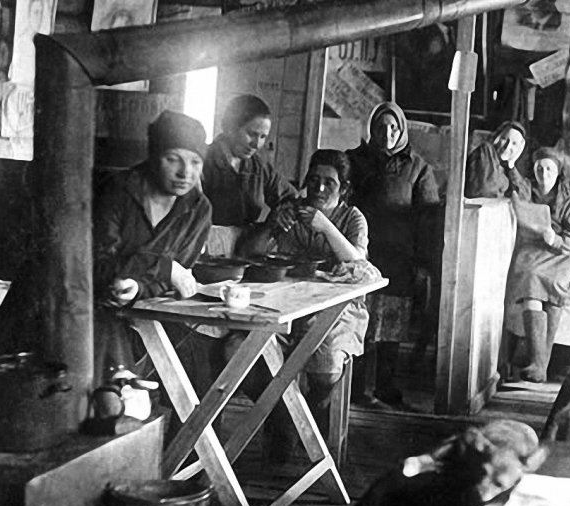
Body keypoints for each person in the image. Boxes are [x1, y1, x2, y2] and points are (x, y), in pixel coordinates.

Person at [239, 150, 371, 417]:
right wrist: (271, 225)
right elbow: (248, 253)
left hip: (338, 309)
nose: (318, 188)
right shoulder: (291, 210)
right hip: (285, 302)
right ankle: (281, 415)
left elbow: (359, 265)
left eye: (329, 183)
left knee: (327, 366)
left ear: (343, 189)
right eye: (313, 180)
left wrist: (326, 227)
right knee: (241, 351)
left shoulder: (352, 218)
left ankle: (307, 412)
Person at [92, 110, 212, 382]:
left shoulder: (198, 209)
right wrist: (165, 267)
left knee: (200, 374)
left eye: (195, 162)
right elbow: (96, 265)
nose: (185, 172)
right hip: (96, 311)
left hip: (150, 309)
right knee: (112, 386)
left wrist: (137, 287)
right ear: (154, 156)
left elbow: (177, 281)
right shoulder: (118, 190)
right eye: (173, 159)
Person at [348, 101, 440, 410]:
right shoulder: (354, 161)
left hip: (398, 257)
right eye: (380, 127)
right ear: (371, 130)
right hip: (360, 253)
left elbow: (428, 218)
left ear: (401, 131)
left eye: (393, 128)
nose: (387, 134)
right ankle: (355, 388)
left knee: (390, 326)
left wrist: (423, 261)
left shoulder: (418, 166)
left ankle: (386, 387)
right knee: (359, 322)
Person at [504, 148, 570, 383]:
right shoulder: (526, 190)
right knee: (530, 273)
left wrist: (555, 239)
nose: (544, 173)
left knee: (549, 281)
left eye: (549, 168)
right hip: (535, 248)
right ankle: (538, 364)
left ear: (558, 171)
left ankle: (539, 364)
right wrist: (510, 167)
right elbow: (515, 184)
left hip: (563, 254)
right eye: (539, 168)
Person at [201, 94, 298, 254]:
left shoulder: (258, 166)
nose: (257, 144)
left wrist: (282, 214)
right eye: (252, 134)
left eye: (263, 137)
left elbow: (292, 198)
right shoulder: (204, 161)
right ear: (230, 127)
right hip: (206, 249)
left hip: (247, 248)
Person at [465, 121, 530, 198]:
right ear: (497, 138)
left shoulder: (507, 167)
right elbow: (485, 189)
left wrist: (511, 164)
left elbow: (524, 197)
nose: (507, 146)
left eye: (514, 144)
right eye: (504, 139)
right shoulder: (486, 151)